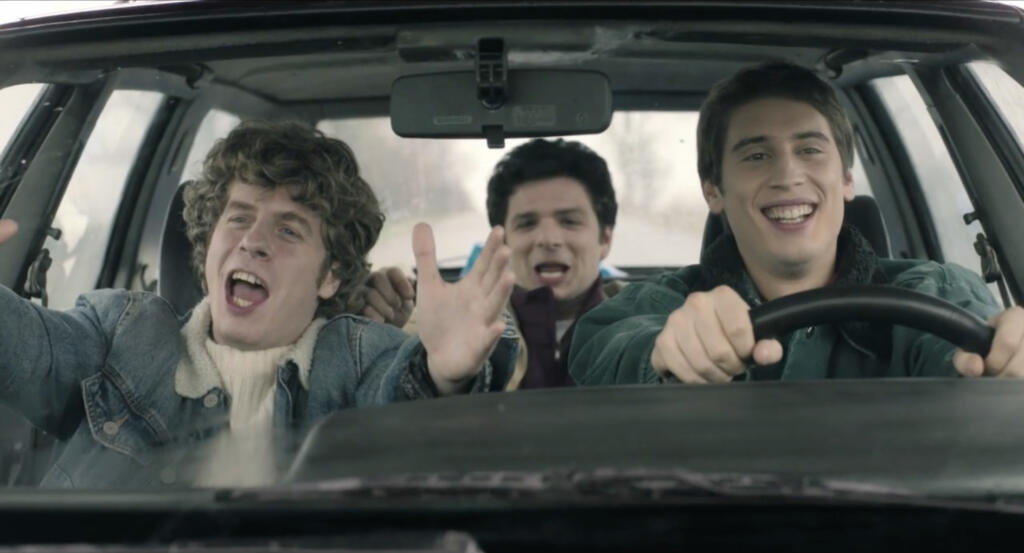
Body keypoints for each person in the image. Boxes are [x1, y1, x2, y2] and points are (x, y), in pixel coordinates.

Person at [0, 120, 517, 488]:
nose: (253, 241)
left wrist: (443, 375)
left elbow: (406, 404)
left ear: (330, 275)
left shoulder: (359, 357)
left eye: (288, 230)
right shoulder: (120, 331)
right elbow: (23, 347)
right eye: (239, 217)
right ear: (209, 243)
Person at [568, 61, 1024, 385]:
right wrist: (668, 350)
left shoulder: (933, 290)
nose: (788, 175)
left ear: (846, 179)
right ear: (713, 191)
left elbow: (971, 334)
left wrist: (1004, 351)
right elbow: (603, 348)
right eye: (756, 155)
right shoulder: (663, 305)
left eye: (809, 150)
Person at [362, 139, 618, 389]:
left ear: (604, 239)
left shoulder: (637, 320)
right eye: (527, 224)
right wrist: (391, 334)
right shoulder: (454, 321)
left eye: (569, 221)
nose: (548, 239)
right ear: (503, 242)